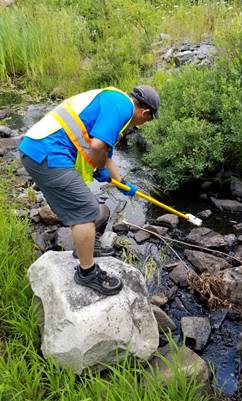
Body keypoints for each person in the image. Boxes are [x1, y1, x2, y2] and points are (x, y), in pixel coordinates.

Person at [19, 85, 160, 296]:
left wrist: (123, 184)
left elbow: (106, 154)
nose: (142, 124)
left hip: (41, 150)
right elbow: (96, 148)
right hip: (48, 154)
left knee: (94, 209)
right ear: (145, 112)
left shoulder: (114, 101)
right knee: (86, 212)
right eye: (146, 121)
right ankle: (87, 272)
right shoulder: (122, 108)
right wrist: (99, 168)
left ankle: (85, 248)